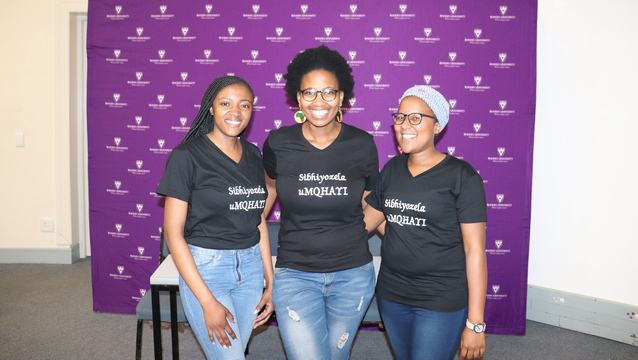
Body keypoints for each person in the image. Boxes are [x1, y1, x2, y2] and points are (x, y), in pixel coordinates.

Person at [262, 45, 379, 360]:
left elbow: (375, 204)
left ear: (342, 97)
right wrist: (267, 276)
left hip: (353, 276)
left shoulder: (362, 144)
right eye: (310, 93)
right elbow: (259, 211)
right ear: (297, 98)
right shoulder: (278, 143)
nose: (319, 101)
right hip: (295, 274)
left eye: (329, 92)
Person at [363, 85, 488, 360]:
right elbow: (365, 224)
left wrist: (475, 323)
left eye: (416, 118)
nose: (405, 125)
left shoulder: (462, 177)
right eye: (400, 117)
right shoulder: (392, 170)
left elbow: (474, 250)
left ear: (437, 126)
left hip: (440, 298)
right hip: (392, 294)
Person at [156, 75, 274, 359]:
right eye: (226, 103)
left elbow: (257, 220)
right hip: (208, 271)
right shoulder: (186, 156)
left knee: (234, 353)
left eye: (244, 105)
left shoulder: (254, 154)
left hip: (250, 270)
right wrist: (207, 301)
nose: (236, 112)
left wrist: (271, 282)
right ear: (210, 108)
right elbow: (173, 234)